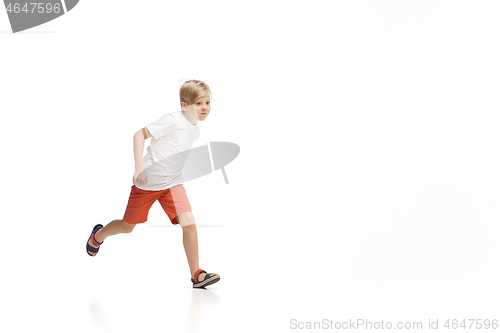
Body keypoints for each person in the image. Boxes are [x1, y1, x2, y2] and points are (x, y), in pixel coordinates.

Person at [86, 79, 220, 288]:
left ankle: (197, 275)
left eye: (207, 103)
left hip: (173, 184)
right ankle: (98, 235)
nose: (204, 108)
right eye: (199, 104)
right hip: (147, 184)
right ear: (184, 105)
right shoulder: (173, 120)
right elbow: (139, 134)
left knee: (189, 222)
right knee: (127, 226)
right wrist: (139, 167)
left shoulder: (195, 128)